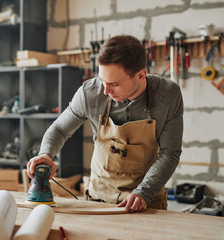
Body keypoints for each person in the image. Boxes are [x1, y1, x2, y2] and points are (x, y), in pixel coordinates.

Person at [27, 34, 183, 213]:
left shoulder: (168, 95)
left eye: (114, 84)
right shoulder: (90, 92)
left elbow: (170, 153)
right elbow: (60, 128)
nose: (106, 90)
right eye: (102, 80)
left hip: (145, 202)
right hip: (98, 199)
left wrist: (144, 193)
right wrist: (46, 153)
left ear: (140, 76)